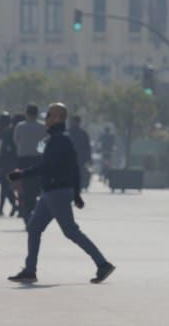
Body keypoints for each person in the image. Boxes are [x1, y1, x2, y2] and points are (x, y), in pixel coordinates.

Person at [7, 103, 114, 283]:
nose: (46, 118)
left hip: (56, 193)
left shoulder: (59, 140)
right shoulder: (61, 139)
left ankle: (102, 264)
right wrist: (77, 194)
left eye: (48, 115)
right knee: (34, 227)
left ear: (57, 118)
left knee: (71, 231)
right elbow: (75, 169)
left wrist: (21, 173)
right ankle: (30, 270)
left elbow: (47, 166)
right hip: (52, 192)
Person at [13, 103, 47, 223]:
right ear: (37, 114)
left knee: (24, 187)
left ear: (26, 113)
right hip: (37, 159)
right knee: (37, 186)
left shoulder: (20, 126)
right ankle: (33, 210)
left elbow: (16, 141)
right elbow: (46, 142)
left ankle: (26, 212)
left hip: (23, 160)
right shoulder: (43, 126)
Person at [68, 114, 93, 192]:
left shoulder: (82, 133)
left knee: (77, 173)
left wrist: (89, 158)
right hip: (71, 158)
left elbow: (87, 147)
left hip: (78, 158)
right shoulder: (67, 133)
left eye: (72, 121)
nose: (70, 123)